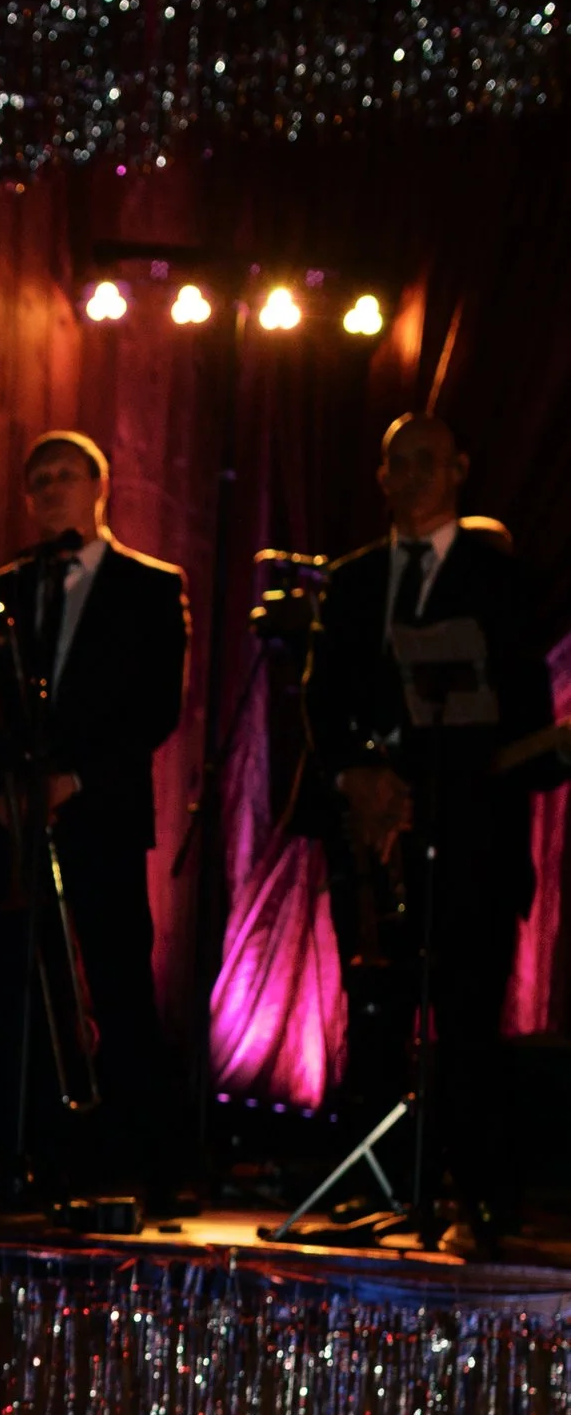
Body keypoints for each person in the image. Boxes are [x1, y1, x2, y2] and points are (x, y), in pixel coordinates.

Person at [303, 414, 549, 1251]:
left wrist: (448, 775)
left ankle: (477, 1199)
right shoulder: (353, 579)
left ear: (460, 470)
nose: (410, 477)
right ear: (378, 476)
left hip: (469, 836)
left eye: (427, 463)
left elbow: (525, 714)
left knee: (468, 1020)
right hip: (372, 838)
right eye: (395, 464)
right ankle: (375, 1190)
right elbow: (320, 699)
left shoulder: (503, 579)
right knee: (374, 1014)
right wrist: (355, 777)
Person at [0, 430, 193, 1208]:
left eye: (66, 475)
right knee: (5, 987)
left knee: (118, 985)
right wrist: (3, 788)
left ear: (100, 485)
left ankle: (137, 1163)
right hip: (10, 819)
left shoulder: (151, 586)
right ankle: (26, 1152)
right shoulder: (0, 589)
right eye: (38, 479)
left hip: (103, 813)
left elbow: (156, 708)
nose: (52, 488)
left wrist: (75, 778)